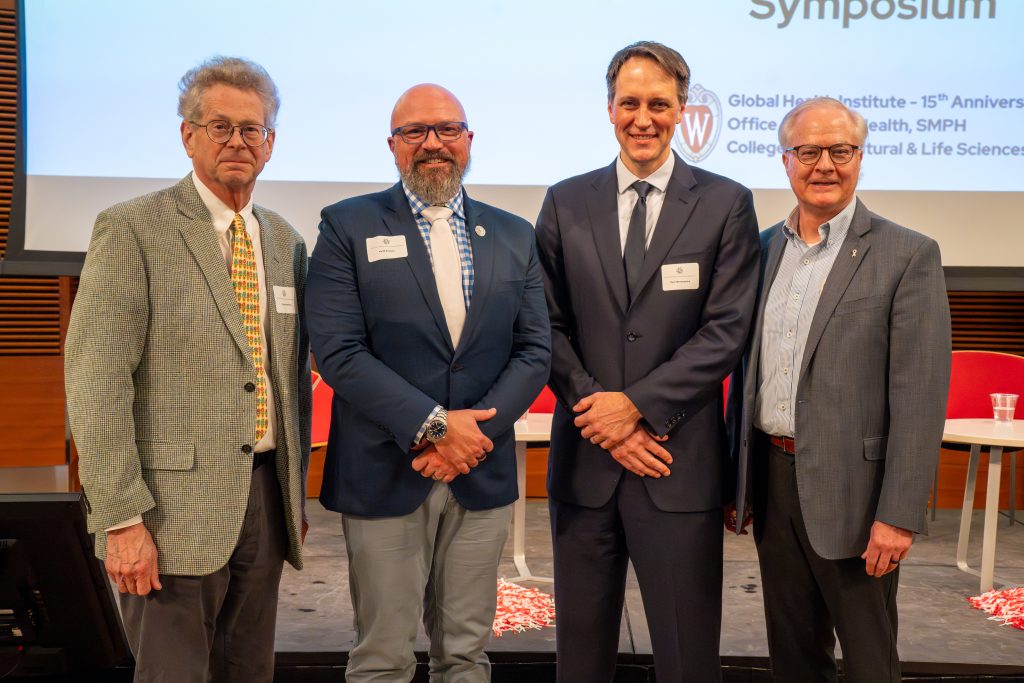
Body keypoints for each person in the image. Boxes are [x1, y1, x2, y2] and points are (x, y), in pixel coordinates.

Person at [64, 57, 311, 682]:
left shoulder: (283, 241)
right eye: (220, 126)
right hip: (169, 512)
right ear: (187, 135)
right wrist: (121, 520)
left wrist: (291, 491)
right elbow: (97, 386)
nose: (237, 142)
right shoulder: (133, 229)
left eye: (251, 129)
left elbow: (285, 376)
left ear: (271, 143)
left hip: (264, 498)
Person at [305, 83, 550, 683]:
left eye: (446, 130)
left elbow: (535, 350)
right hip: (387, 468)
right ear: (392, 146)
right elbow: (338, 352)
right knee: (382, 656)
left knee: (465, 655)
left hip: (480, 471)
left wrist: (473, 437)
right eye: (415, 132)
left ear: (469, 141)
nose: (432, 144)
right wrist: (437, 427)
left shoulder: (516, 234)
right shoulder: (347, 226)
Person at [535, 41, 760, 681]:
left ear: (682, 111)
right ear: (609, 109)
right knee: (580, 661)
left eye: (659, 104)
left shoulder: (725, 203)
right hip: (585, 470)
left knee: (688, 660)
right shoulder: (564, 202)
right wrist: (601, 414)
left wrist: (634, 408)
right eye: (629, 102)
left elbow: (726, 331)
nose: (643, 118)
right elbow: (544, 325)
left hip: (677, 469)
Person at [729, 97, 952, 682]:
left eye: (840, 150)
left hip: (859, 496)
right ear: (785, 161)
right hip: (775, 486)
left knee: (868, 659)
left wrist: (898, 514)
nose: (824, 164)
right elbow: (745, 372)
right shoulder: (760, 249)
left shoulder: (907, 254)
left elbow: (920, 396)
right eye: (808, 151)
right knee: (793, 655)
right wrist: (739, 481)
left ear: (860, 157)